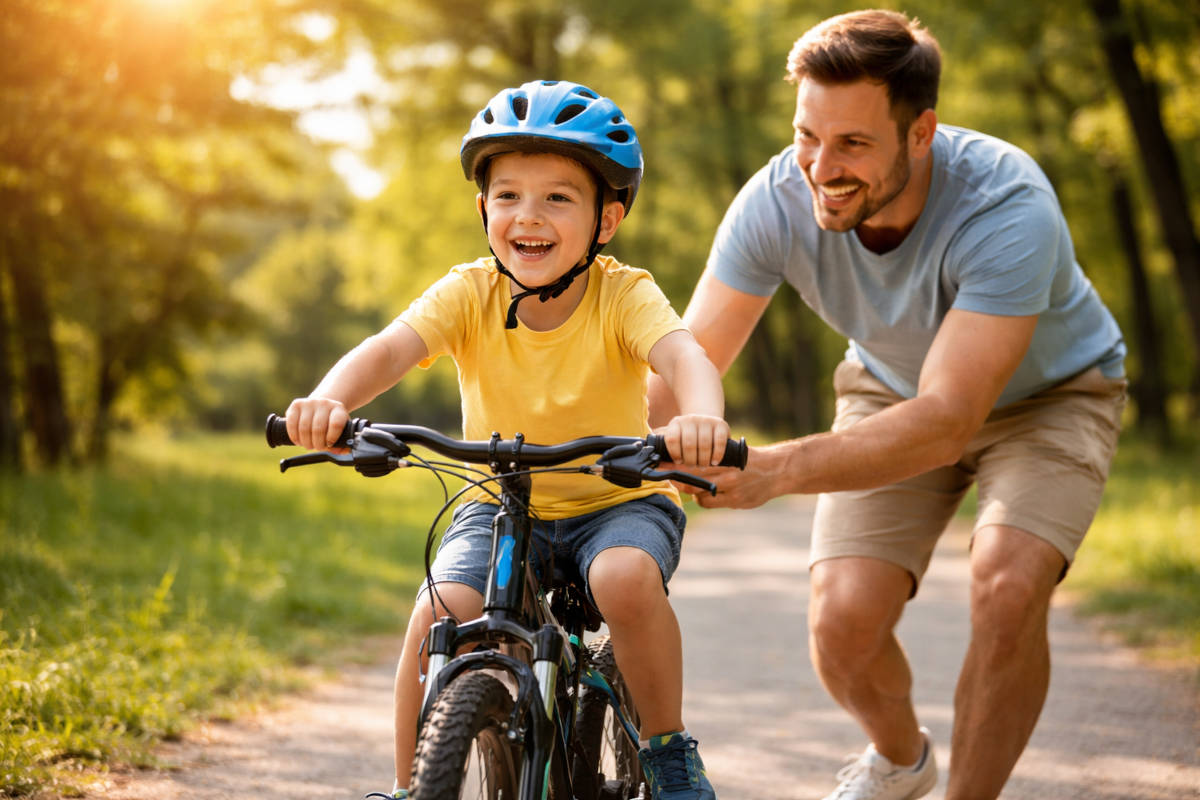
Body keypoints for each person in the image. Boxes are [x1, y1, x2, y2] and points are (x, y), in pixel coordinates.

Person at [648, 10, 1127, 800]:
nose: (820, 168)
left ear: (920, 132)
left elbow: (948, 420)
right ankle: (902, 761)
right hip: (887, 385)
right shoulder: (774, 201)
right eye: (808, 136)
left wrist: (775, 469)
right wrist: (617, 449)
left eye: (853, 144)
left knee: (1008, 582)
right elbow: (683, 365)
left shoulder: (1007, 204)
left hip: (1050, 397)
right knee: (842, 624)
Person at [285, 79, 729, 800]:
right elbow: (388, 350)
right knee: (436, 611)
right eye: (508, 195)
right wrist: (329, 401)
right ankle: (411, 786)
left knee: (622, 579)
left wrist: (701, 419)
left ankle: (669, 750)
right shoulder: (468, 292)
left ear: (606, 221)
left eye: (559, 197)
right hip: (499, 502)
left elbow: (685, 356)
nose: (529, 215)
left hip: (617, 499)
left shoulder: (623, 293)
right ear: (483, 208)